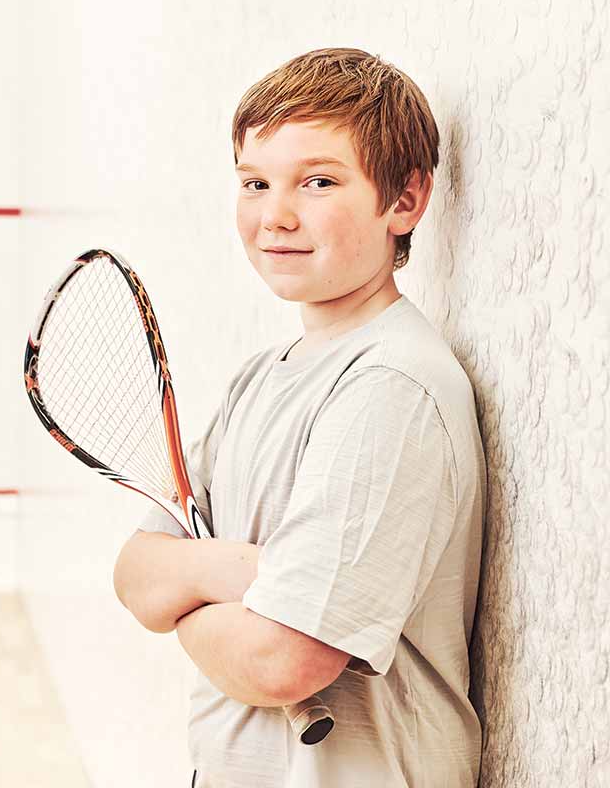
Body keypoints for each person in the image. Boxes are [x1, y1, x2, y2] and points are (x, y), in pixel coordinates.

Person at [113, 47, 486, 788]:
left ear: (406, 200)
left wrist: (190, 595)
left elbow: (283, 661)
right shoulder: (261, 379)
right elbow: (135, 576)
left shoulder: (390, 389)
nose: (275, 216)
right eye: (255, 182)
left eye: (317, 182)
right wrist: (242, 572)